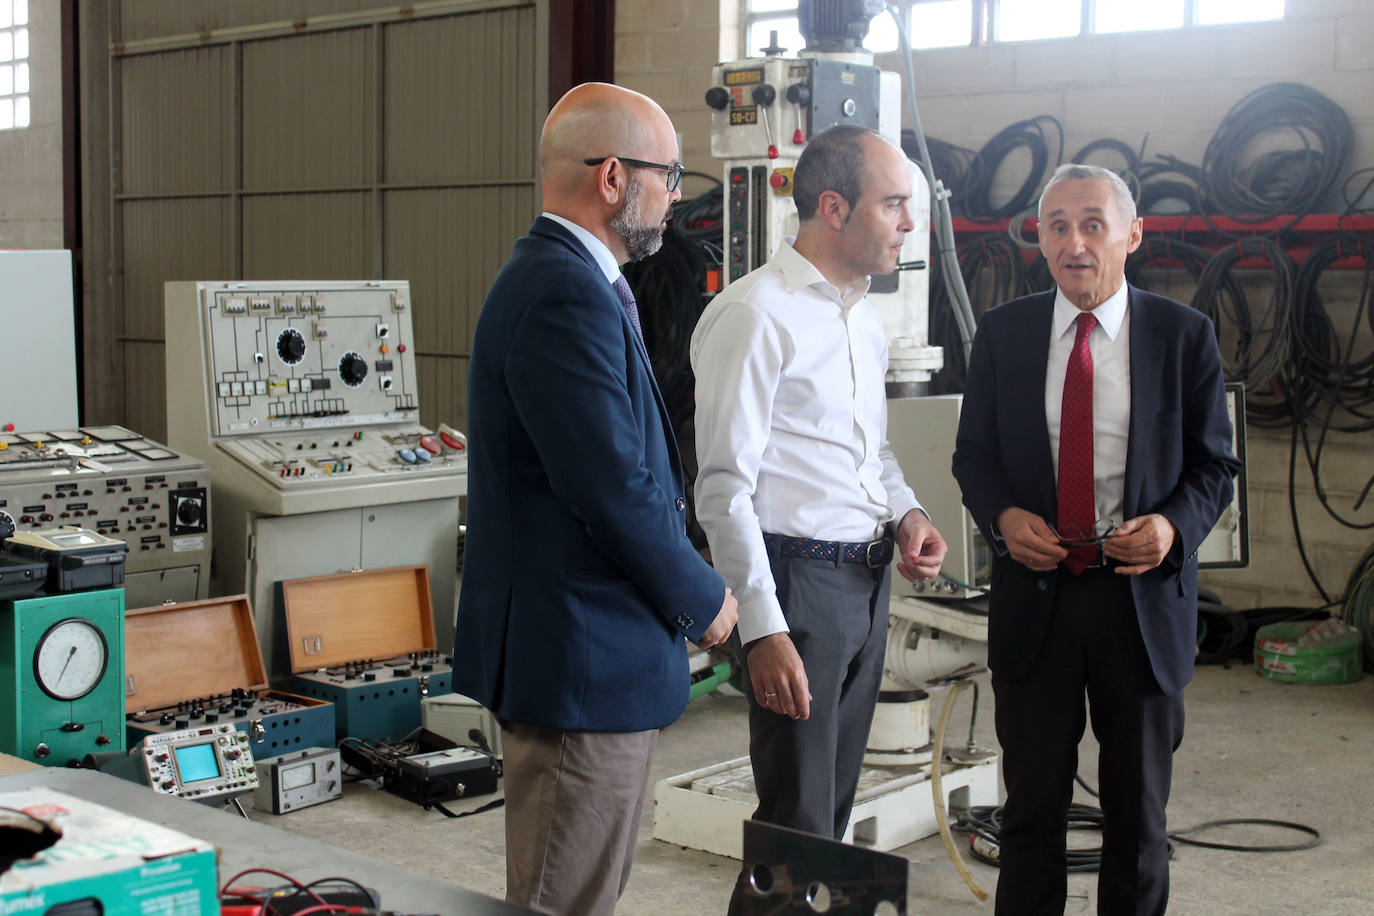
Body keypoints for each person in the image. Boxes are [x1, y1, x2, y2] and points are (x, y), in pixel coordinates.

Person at [452, 82, 738, 916]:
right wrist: (704, 597)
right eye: (670, 175)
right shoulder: (563, 291)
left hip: (591, 655)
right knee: (563, 898)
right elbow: (610, 486)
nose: (679, 195)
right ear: (613, 177)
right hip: (578, 663)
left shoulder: (577, 280)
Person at [951, 163, 1241, 915]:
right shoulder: (1005, 335)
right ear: (1039, 240)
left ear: (1132, 236)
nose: (1073, 243)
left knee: (1138, 817)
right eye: (1056, 226)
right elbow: (973, 457)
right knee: (1031, 813)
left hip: (1137, 607)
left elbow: (1216, 465)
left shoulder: (1184, 338)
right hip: (1038, 600)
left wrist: (1174, 525)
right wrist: (1006, 521)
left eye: (1092, 224)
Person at [691, 124, 948, 903]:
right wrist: (763, 630)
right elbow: (722, 487)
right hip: (798, 588)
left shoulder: (859, 317)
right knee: (796, 829)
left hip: (864, 585)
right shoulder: (756, 315)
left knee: (824, 825)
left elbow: (869, 458)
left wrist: (905, 515)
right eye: (895, 204)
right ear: (834, 208)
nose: (909, 223)